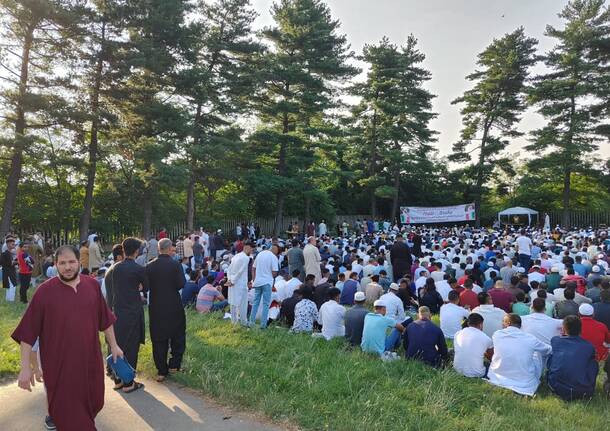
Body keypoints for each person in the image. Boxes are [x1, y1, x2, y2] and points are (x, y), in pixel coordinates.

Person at [12, 245, 123, 431]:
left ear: (79, 262)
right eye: (62, 263)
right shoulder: (44, 292)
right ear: (55, 265)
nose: (68, 267)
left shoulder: (92, 286)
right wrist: (26, 368)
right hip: (60, 370)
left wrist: (114, 346)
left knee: (94, 404)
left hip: (91, 364)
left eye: (71, 262)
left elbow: (105, 320)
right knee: (74, 419)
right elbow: (27, 333)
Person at [104, 237, 147, 393]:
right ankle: (129, 382)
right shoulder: (138, 269)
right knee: (131, 347)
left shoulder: (114, 268)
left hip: (116, 312)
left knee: (117, 345)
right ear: (136, 251)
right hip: (133, 312)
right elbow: (145, 287)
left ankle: (118, 380)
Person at [145, 238, 187, 382]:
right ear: (170, 249)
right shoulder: (175, 265)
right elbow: (181, 284)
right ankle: (174, 365)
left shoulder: (149, 266)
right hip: (173, 304)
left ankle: (161, 370)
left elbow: (145, 287)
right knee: (178, 335)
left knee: (158, 338)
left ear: (158, 249)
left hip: (156, 306)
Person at [487, 314, 552, 396]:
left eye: (503, 321)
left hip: (497, 376)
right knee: (538, 353)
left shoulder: (497, 334)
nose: (502, 323)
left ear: (508, 323)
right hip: (524, 381)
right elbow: (548, 350)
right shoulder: (530, 338)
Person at [547, 315, 598, 401]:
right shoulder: (589, 346)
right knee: (593, 362)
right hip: (583, 390)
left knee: (552, 355)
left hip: (556, 387)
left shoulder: (555, 340)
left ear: (563, 329)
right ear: (580, 330)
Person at [578, 303, 610, 390]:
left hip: (578, 356)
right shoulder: (602, 326)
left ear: (578, 314)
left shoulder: (573, 325)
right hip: (598, 357)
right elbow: (608, 341)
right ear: (593, 314)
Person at [453, 313, 494, 378]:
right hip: (477, 374)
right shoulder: (486, 338)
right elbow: (492, 358)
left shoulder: (457, 333)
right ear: (481, 325)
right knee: (490, 365)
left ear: (468, 324)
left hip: (457, 370)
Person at [249, 244, 280, 329]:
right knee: (266, 304)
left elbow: (253, 268)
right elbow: (274, 272)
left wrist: (254, 279)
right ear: (275, 250)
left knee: (255, 302)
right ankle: (263, 324)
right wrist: (269, 276)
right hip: (267, 283)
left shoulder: (260, 254)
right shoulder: (273, 257)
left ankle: (251, 322)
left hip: (258, 282)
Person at [227, 241, 253, 325]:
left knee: (233, 302)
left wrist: (230, 280)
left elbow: (229, 269)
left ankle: (234, 322)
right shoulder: (246, 258)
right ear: (248, 248)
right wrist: (233, 281)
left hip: (233, 281)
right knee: (242, 304)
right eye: (251, 249)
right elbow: (240, 271)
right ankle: (243, 321)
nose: (251, 251)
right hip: (239, 283)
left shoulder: (236, 256)